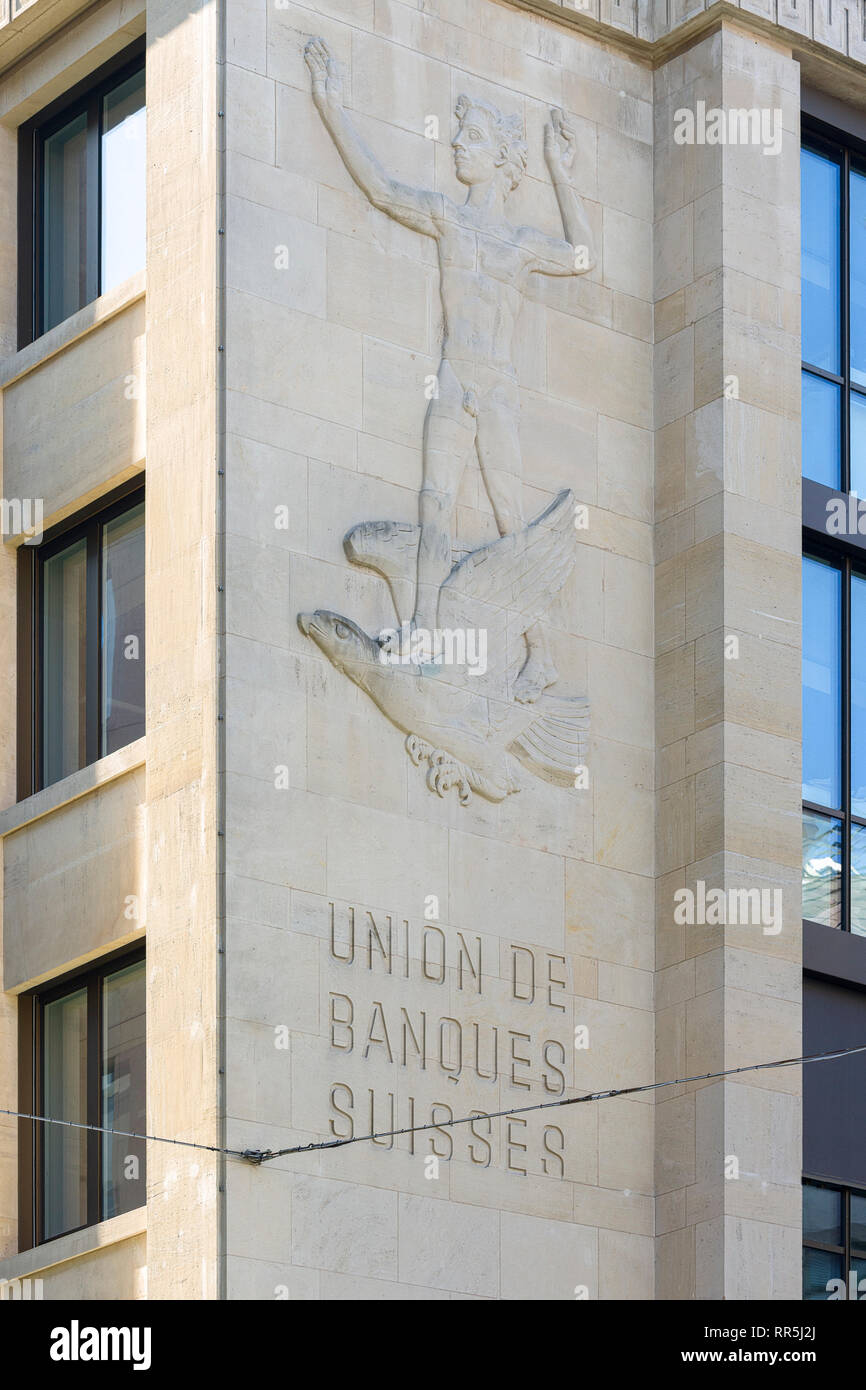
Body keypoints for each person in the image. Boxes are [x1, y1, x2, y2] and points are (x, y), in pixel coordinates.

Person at [305, 37, 596, 700]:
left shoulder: (520, 244)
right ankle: (423, 630)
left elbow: (583, 258)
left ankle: (540, 651)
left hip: (496, 388)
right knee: (433, 506)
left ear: (499, 157)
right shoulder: (446, 218)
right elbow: (379, 188)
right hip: (454, 376)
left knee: (507, 517)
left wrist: (561, 170)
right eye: (458, 135)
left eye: (469, 138)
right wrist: (329, 104)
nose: (457, 145)